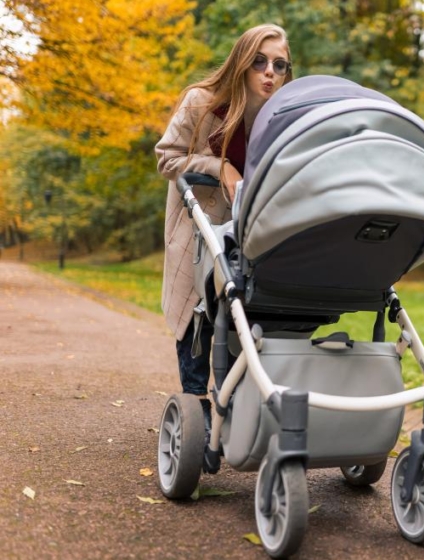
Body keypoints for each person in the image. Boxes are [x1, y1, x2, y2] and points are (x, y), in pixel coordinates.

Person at [155, 24, 293, 434]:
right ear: (241, 62)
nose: (269, 72)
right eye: (259, 62)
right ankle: (195, 415)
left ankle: (233, 417)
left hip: (250, 239)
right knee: (200, 322)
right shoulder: (201, 102)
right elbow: (167, 158)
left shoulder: (281, 120)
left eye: (279, 65)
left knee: (242, 323)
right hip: (199, 233)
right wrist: (218, 166)